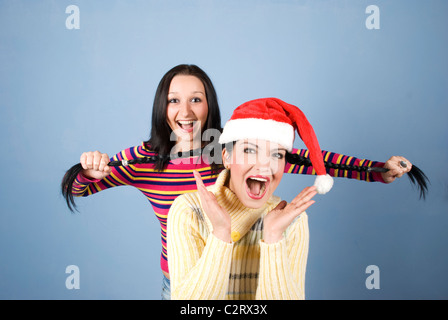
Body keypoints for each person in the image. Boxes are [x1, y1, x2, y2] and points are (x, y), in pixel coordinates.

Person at [61, 64, 419, 299]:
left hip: (242, 279)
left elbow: (313, 160)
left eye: (195, 100)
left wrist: (377, 171)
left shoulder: (233, 152)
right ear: (162, 107)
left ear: (209, 105)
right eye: (174, 101)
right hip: (183, 286)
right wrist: (86, 171)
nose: (185, 112)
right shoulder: (143, 160)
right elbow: (81, 188)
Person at [168, 98, 335, 299]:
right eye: (249, 150)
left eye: (277, 155)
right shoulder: (189, 211)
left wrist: (273, 237)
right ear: (227, 157)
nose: (264, 165)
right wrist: (221, 233)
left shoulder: (293, 221)